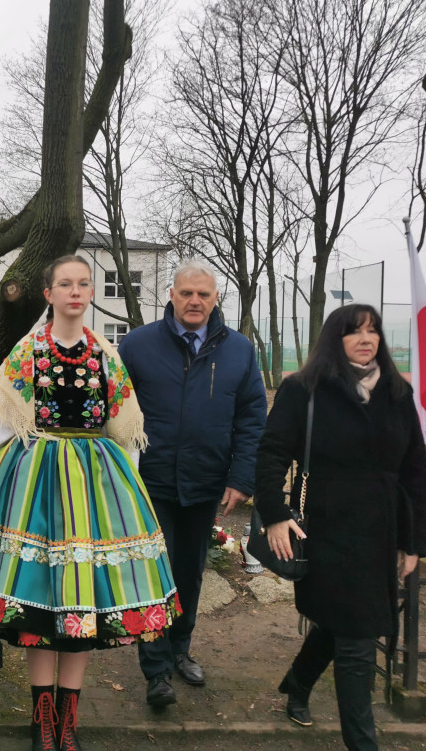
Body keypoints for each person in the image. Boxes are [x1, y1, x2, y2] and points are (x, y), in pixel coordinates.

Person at [0, 255, 179, 751]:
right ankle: (41, 720)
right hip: (34, 482)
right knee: (41, 607)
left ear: (90, 293)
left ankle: (68, 721)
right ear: (47, 293)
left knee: (83, 606)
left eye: (83, 284)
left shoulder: (105, 355)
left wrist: (123, 501)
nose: (76, 291)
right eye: (65, 284)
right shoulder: (27, 353)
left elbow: (125, 431)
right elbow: (4, 428)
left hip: (96, 486)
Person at [255, 304, 426, 750]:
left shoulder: (397, 391)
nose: (366, 339)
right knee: (357, 637)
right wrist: (275, 514)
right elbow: (273, 452)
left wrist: (413, 542)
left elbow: (415, 469)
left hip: (381, 526)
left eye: (373, 331)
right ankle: (362, 743)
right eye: (355, 332)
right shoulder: (304, 389)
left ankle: (297, 682)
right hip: (327, 525)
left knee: (345, 622)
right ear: (336, 338)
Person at [117, 258, 266, 708]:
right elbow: (116, 411)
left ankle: (181, 649)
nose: (195, 301)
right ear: (172, 295)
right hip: (150, 482)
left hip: (207, 481)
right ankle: (156, 670)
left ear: (216, 297)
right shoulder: (139, 346)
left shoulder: (239, 349)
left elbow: (252, 416)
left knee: (188, 574)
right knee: (153, 572)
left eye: (204, 294)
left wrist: (241, 477)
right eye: (186, 293)